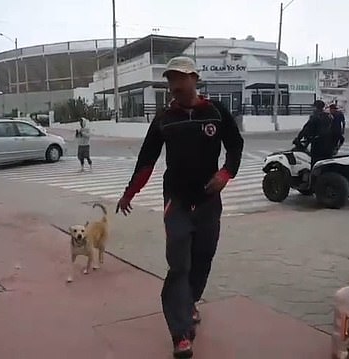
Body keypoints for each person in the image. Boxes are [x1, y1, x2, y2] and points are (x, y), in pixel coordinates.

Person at [115, 56, 244, 358]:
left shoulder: (215, 112)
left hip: (209, 201)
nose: (175, 85)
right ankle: (180, 333)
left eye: (181, 78)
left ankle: (191, 301)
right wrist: (129, 193)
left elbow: (236, 145)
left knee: (203, 258)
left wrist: (225, 174)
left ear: (195, 79)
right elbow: (146, 160)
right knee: (179, 264)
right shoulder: (164, 119)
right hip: (177, 201)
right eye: (171, 79)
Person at [293, 100, 335, 165]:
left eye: (314, 107)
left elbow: (306, 129)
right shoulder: (329, 116)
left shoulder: (315, 117)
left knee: (315, 163)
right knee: (327, 163)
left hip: (318, 144)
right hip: (329, 144)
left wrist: (298, 138)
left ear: (316, 108)